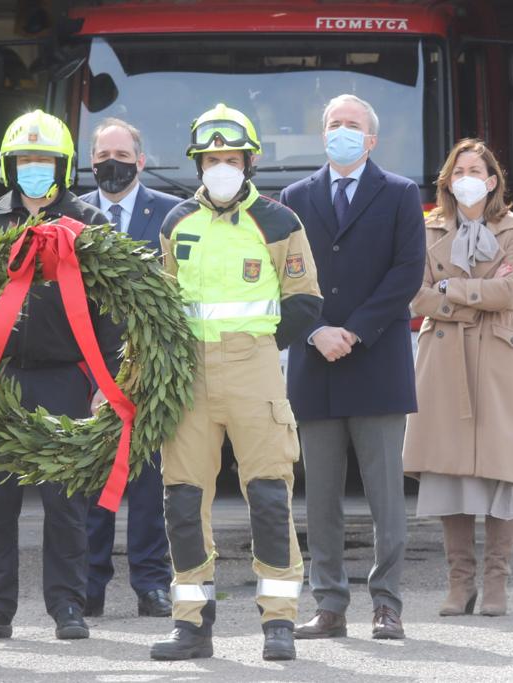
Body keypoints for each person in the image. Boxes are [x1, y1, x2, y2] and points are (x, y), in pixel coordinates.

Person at [152, 103, 322, 662]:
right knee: (183, 499)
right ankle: (191, 624)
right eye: (211, 159)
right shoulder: (176, 222)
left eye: (231, 158)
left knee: (269, 495)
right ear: (198, 165)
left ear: (249, 162)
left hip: (254, 368)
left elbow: (305, 301)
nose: (221, 167)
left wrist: (258, 347)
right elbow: (161, 303)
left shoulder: (278, 221)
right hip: (189, 376)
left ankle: (278, 621)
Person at [280, 94, 425, 640]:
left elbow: (407, 271)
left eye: (353, 124)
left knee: (386, 497)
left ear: (371, 139)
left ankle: (387, 604)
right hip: (314, 362)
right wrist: (315, 329)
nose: (342, 131)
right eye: (334, 124)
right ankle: (329, 605)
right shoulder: (294, 197)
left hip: (376, 361)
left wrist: (355, 329)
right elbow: (283, 275)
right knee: (320, 498)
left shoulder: (400, 193)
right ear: (323, 135)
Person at [0, 110, 120, 642]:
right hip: (0, 380)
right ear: (9, 166)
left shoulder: (88, 222)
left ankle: (68, 605)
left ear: (62, 165)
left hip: (66, 379)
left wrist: (108, 383)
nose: (34, 169)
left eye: (44, 160)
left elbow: (111, 310)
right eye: (24, 160)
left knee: (66, 502)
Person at [403, 139, 513, 617]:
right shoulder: (427, 228)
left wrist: (450, 288)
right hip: (442, 356)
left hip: (497, 355)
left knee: (500, 468)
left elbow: (508, 291)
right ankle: (460, 582)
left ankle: (496, 581)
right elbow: (415, 296)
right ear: (447, 181)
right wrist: (471, 297)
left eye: (475, 170)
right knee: (448, 469)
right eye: (458, 171)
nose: (467, 178)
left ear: (492, 180)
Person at [78, 117, 178, 619]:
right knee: (92, 480)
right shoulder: (73, 216)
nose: (111, 165)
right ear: (90, 162)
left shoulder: (171, 214)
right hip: (87, 370)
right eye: (102, 157)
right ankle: (88, 584)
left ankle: (152, 584)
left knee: (148, 484)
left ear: (140, 160)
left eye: (120, 156)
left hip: (151, 371)